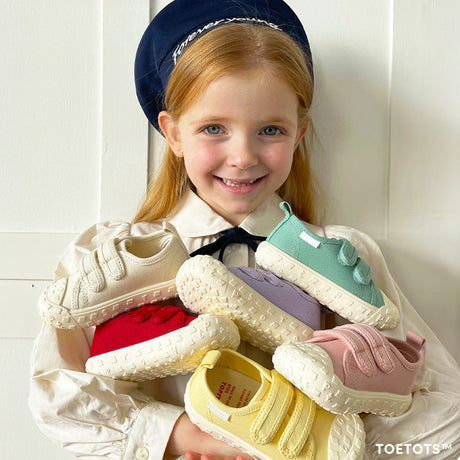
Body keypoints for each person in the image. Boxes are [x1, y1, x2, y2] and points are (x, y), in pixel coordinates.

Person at [29, 0, 460, 459]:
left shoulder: (347, 257)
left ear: (299, 133)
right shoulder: (105, 258)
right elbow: (55, 392)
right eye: (214, 128)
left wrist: (326, 448)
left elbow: (446, 409)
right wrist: (184, 435)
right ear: (172, 134)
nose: (242, 157)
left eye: (270, 130)